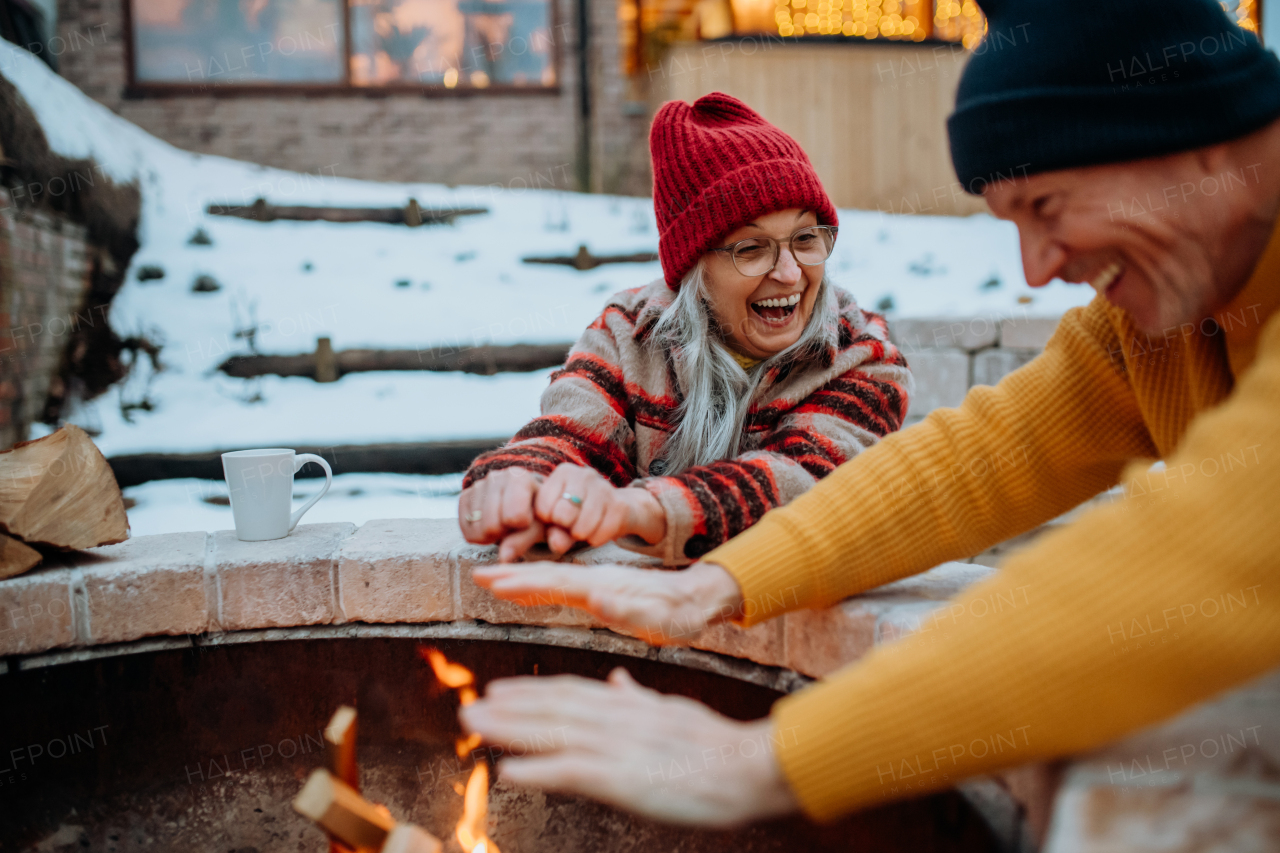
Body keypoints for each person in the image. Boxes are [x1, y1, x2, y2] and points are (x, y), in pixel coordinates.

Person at [458, 0, 1280, 830]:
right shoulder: (1158, 321)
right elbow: (978, 460)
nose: (1036, 270)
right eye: (1016, 224)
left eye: (1050, 205)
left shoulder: (857, 349)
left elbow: (1212, 548)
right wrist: (716, 583)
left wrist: (774, 758)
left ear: (1193, 134)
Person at [458, 93, 911, 564]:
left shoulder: (861, 358)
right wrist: (518, 484)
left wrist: (639, 508)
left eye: (805, 239)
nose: (791, 274)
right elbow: (568, 435)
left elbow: (806, 483)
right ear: (693, 269)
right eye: (752, 249)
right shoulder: (628, 334)